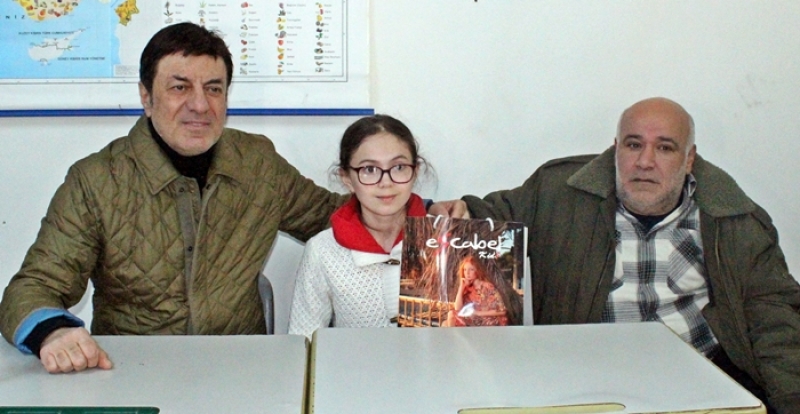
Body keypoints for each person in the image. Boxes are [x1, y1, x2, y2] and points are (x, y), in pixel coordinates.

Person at [0, 22, 346, 373]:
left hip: (239, 370)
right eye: (180, 87)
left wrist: (377, 178)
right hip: (130, 373)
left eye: (213, 89)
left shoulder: (258, 165)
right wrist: (54, 332)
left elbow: (335, 217)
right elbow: (33, 287)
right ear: (146, 97)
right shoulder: (96, 181)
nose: (200, 105)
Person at [431, 97, 800, 414]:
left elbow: (775, 318)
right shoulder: (557, 193)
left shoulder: (734, 219)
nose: (645, 161)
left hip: (701, 374)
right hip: (583, 379)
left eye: (665, 148)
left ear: (690, 159)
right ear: (615, 149)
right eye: (633, 144)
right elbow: (495, 216)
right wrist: (461, 212)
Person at [288, 115, 429, 339]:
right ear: (347, 178)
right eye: (369, 169)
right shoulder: (322, 250)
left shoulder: (446, 239)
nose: (386, 182)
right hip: (352, 362)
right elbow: (303, 341)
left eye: (399, 167)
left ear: (416, 171)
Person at [442, 255, 508, 327]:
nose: (467, 273)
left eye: (471, 269)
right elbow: (457, 309)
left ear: (477, 271)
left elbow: (502, 311)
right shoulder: (467, 288)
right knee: (446, 322)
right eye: (465, 270)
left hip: (489, 321)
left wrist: (478, 313)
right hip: (474, 320)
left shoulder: (488, 286)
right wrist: (461, 287)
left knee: (450, 317)